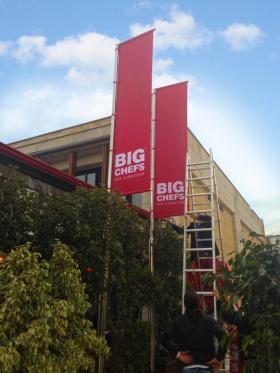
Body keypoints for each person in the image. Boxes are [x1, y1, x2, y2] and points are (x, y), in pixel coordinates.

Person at [161, 291, 227, 373]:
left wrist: (177, 354)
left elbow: (163, 338)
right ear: (199, 303)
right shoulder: (209, 321)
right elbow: (225, 338)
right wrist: (218, 358)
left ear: (184, 305)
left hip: (186, 368)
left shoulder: (178, 322)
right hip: (206, 367)